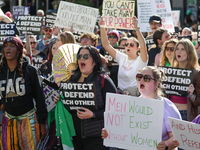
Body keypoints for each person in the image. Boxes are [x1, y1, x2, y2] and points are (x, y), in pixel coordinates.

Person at [102, 66, 182, 150]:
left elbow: (177, 137)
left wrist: (165, 145)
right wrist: (110, 133)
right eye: (139, 77)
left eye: (147, 78)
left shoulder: (167, 107)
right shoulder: (131, 105)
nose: (142, 80)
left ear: (157, 83)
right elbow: (123, 133)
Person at [55, 45, 117, 150]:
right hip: (74, 137)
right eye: (79, 56)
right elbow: (68, 105)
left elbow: (115, 110)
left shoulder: (104, 80)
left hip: (96, 138)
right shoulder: (71, 80)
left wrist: (93, 114)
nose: (82, 59)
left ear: (94, 61)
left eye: (86, 56)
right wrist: (60, 100)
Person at [0, 36, 47, 149]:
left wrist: (42, 124)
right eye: (6, 46)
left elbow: (40, 98)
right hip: (8, 121)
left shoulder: (30, 71)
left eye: (12, 46)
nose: (8, 48)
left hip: (29, 121)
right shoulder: (0, 71)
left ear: (19, 51)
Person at [99, 16, 148, 96]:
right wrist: (102, 26)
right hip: (121, 94)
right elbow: (106, 45)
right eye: (126, 44)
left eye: (131, 45)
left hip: (134, 95)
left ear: (137, 48)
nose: (128, 46)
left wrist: (136, 28)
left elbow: (143, 46)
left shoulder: (141, 60)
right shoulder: (122, 58)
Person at [170, 39, 200, 121]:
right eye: (177, 49)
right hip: (170, 113)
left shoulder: (196, 74)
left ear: (189, 53)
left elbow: (198, 101)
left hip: (185, 114)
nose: (178, 52)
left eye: (182, 49)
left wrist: (192, 95)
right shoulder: (169, 71)